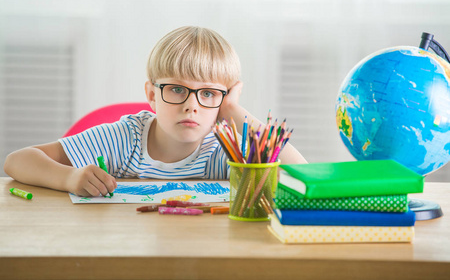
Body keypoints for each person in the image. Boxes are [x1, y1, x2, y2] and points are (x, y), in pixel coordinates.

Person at [3, 26, 307, 197]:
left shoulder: (226, 148)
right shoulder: (124, 139)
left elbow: (302, 177)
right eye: (176, 89)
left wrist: (230, 108)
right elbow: (17, 161)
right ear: (152, 94)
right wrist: (68, 178)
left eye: (208, 93)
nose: (192, 105)